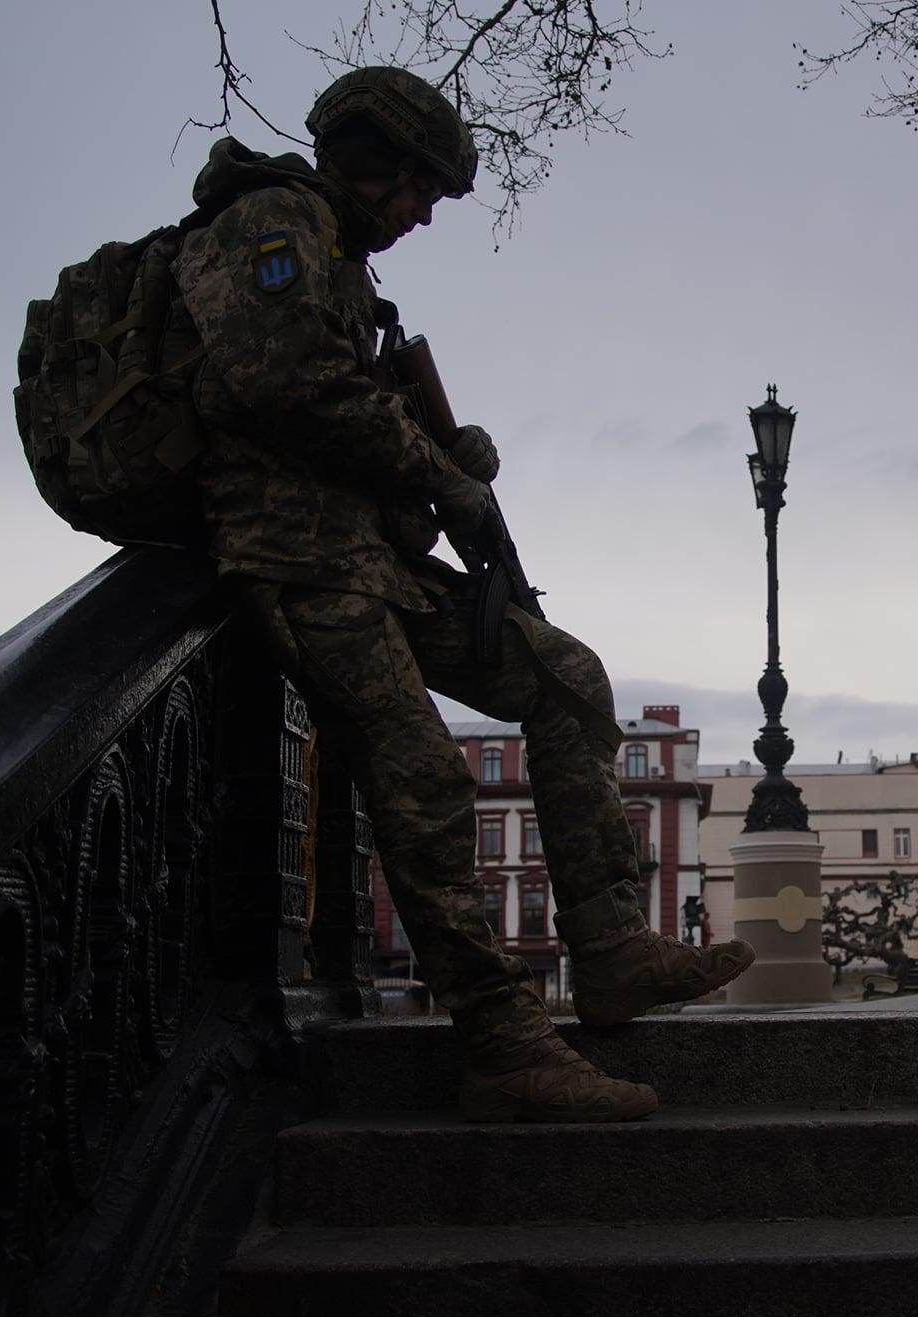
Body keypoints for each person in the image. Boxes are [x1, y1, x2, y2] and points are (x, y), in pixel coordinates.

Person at [172, 66, 754, 1122]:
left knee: (566, 676)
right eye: (417, 188)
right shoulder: (271, 221)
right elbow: (287, 383)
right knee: (426, 783)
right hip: (296, 562)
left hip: (369, 562)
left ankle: (611, 947)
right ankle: (503, 1042)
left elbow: (348, 416)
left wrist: (444, 455)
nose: (422, 213)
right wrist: (437, 472)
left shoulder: (344, 266)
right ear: (370, 155)